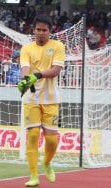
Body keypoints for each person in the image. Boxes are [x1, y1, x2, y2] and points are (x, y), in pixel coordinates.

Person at [17, 14, 65, 187]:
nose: (41, 33)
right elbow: (25, 69)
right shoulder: (27, 49)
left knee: (52, 140)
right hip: (31, 99)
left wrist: (36, 75)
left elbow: (55, 70)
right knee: (33, 135)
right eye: (38, 29)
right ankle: (34, 176)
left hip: (51, 99)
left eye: (44, 30)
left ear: (50, 31)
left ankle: (47, 163)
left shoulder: (58, 46)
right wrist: (25, 79)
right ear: (34, 30)